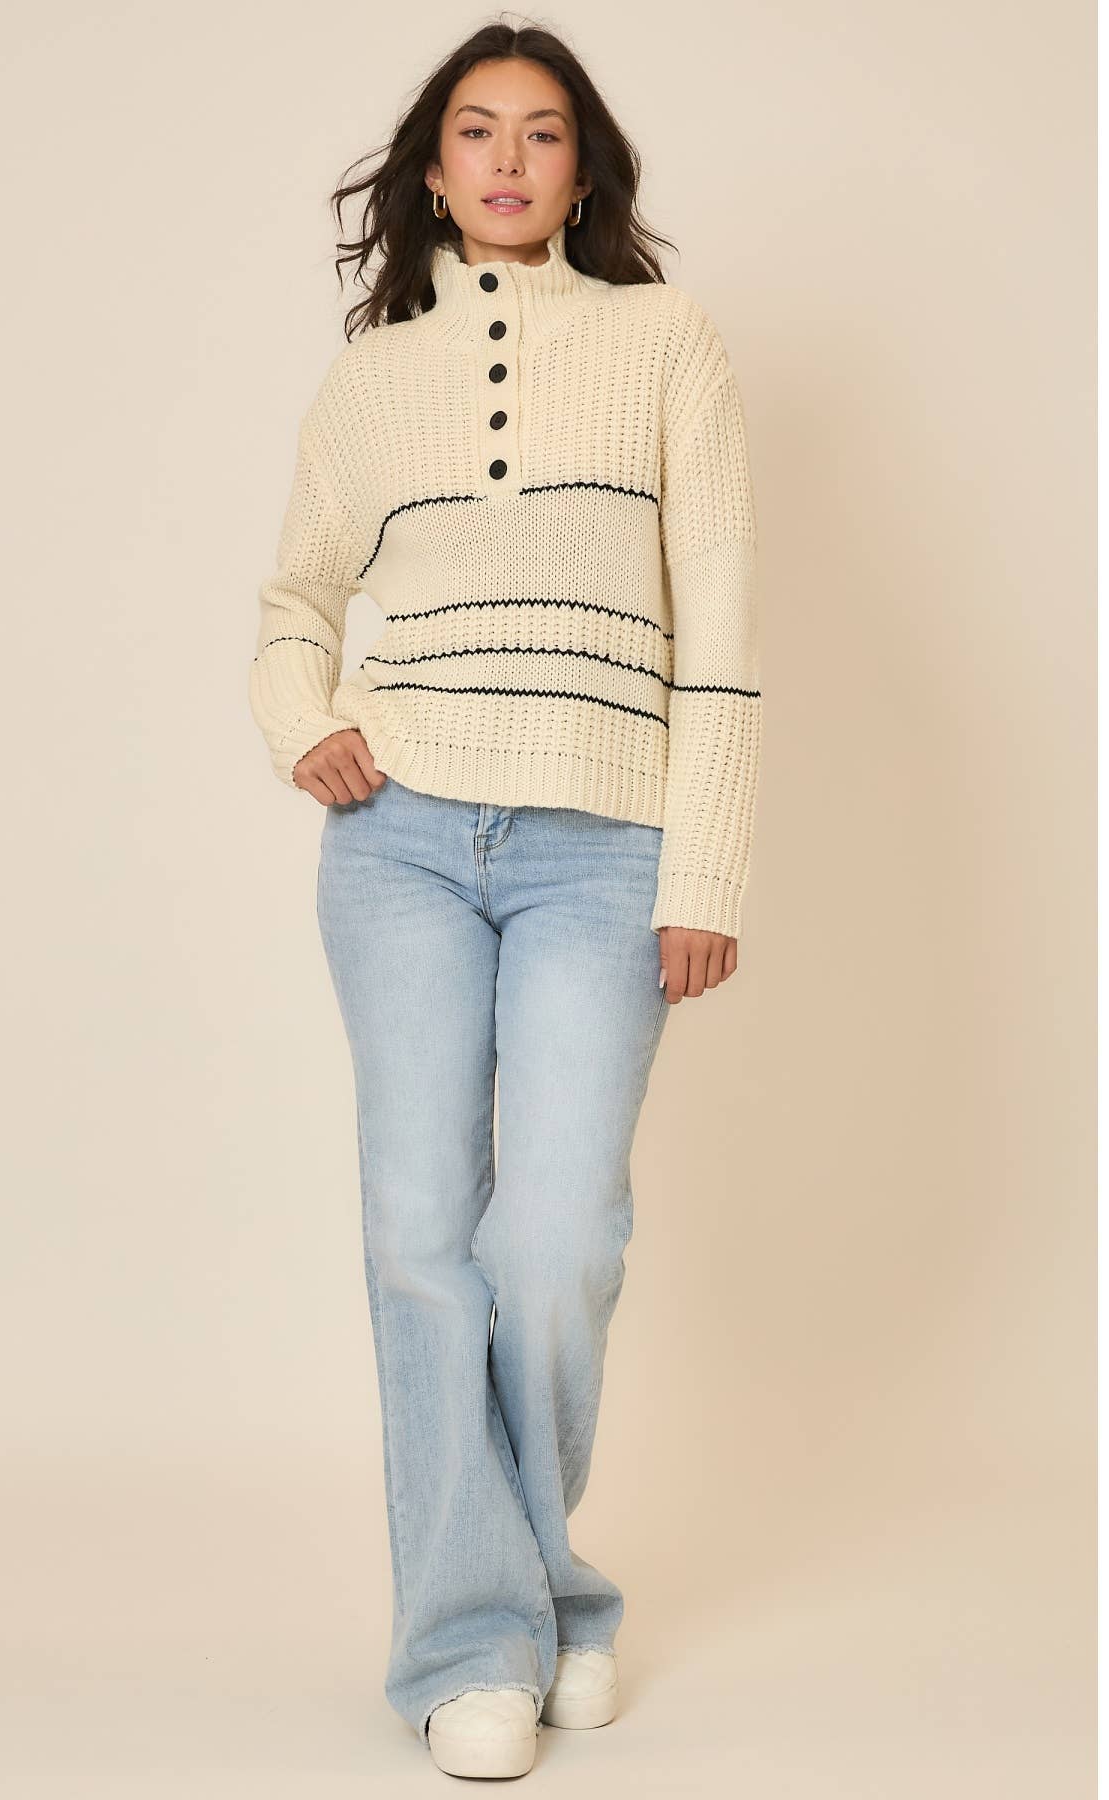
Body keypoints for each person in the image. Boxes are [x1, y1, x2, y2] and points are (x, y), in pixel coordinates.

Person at [247, 22, 763, 1780]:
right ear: (433, 165)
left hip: (601, 848)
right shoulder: (373, 377)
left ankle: (545, 1592)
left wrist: (705, 865)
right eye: (478, 132)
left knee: (553, 1246)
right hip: (398, 840)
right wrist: (304, 723)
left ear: (584, 166)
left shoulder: (668, 343)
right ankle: (477, 1642)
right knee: (417, 1242)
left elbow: (724, 632)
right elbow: (295, 602)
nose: (510, 161)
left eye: (543, 134)